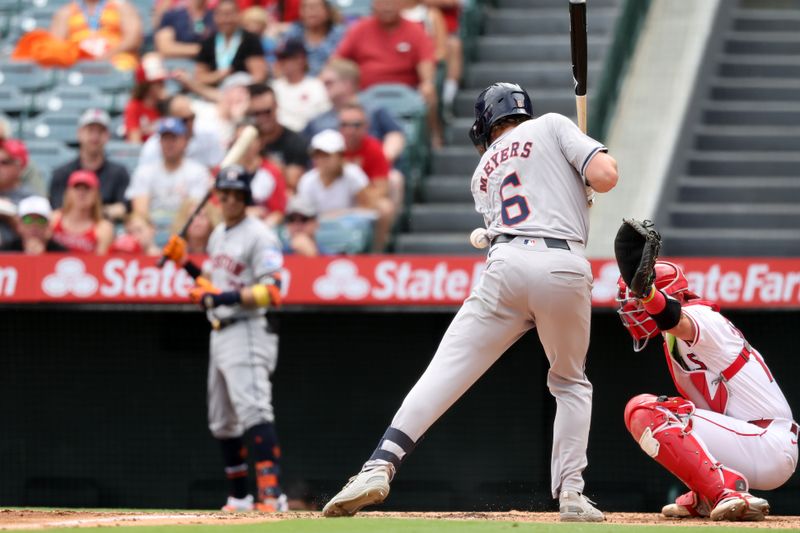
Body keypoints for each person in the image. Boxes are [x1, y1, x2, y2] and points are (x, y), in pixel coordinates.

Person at [322, 82, 619, 520]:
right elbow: (607, 176)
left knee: (443, 372)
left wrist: (578, 187)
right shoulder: (553, 124)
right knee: (570, 382)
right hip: (563, 265)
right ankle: (572, 494)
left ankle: (378, 464)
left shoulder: (481, 171)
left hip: (506, 264)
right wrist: (586, 183)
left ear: (485, 125)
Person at [616, 259, 797, 521]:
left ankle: (726, 490)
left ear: (666, 295)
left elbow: (675, 319)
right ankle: (707, 494)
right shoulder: (672, 340)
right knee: (669, 416)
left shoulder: (700, 315)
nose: (632, 308)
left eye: (637, 299)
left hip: (768, 441)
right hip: (750, 440)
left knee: (645, 410)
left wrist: (649, 294)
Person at [160, 165, 287, 513]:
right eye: (225, 194)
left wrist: (220, 298)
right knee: (222, 420)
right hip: (220, 332)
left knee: (254, 410)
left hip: (247, 329)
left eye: (236, 194)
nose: (230, 200)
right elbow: (214, 282)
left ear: (246, 198)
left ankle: (272, 496)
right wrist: (185, 264)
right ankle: (239, 497)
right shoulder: (218, 234)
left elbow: (273, 292)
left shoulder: (260, 235)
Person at [333, 0, 440, 146]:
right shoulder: (360, 29)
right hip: (366, 95)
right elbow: (336, 62)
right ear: (373, 5)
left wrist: (427, 82)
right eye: (382, 2)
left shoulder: (415, 30)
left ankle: (431, 141)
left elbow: (426, 61)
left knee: (429, 92)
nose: (387, 6)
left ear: (401, 4)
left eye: (392, 2)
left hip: (406, 94)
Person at [127, 118, 212, 246]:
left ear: (184, 141)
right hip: (151, 234)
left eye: (174, 138)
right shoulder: (144, 171)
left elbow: (195, 210)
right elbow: (141, 213)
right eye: (165, 138)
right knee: (138, 225)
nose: (169, 143)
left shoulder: (198, 172)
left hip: (185, 233)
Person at [306, 59, 406, 167]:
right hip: (330, 174)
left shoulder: (374, 110)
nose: (324, 87)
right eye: (323, 83)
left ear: (348, 83)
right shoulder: (317, 121)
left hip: (370, 170)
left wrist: (382, 160)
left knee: (394, 179)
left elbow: (395, 135)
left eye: (329, 83)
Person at [49, 109, 130, 222]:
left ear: (107, 136)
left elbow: (123, 208)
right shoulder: (62, 173)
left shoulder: (119, 173)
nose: (95, 136)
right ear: (80, 133)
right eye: (90, 130)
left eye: (100, 131)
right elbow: (57, 209)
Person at [339, 102, 395, 251]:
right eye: (345, 125)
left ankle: (377, 253)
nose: (350, 130)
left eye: (356, 125)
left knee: (385, 207)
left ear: (366, 126)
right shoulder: (331, 148)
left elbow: (381, 188)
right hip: (334, 200)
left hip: (363, 201)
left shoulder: (374, 149)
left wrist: (360, 198)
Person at [248, 84, 310, 191]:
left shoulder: (296, 141)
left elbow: (292, 183)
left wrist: (261, 159)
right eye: (257, 113)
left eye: (267, 112)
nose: (263, 118)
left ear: (276, 106)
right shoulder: (245, 140)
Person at [49, 0, 143, 70]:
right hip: (77, 65)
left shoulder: (121, 7)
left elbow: (133, 39)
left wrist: (105, 56)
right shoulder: (66, 12)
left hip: (117, 61)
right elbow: (56, 45)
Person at [138, 95, 226, 170]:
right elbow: (144, 179)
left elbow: (217, 168)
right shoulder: (154, 146)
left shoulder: (208, 134)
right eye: (184, 120)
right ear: (170, 120)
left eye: (192, 117)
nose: (190, 123)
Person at [295, 129, 370, 217]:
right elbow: (305, 214)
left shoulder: (354, 175)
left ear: (340, 155)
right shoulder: (307, 181)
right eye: (317, 155)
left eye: (326, 155)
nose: (321, 160)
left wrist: (344, 215)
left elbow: (367, 208)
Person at [195, 0, 268, 86]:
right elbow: (200, 77)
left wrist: (239, 91)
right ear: (215, 17)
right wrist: (218, 75)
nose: (226, 19)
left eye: (230, 14)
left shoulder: (250, 40)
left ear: (239, 15)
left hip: (244, 91)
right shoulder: (208, 43)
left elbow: (259, 75)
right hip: (214, 92)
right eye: (221, 14)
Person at [271, 36, 331, 133]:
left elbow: (323, 118)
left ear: (300, 59)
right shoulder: (273, 87)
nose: (280, 63)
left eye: (285, 58)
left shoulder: (316, 86)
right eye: (279, 58)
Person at [51, 170, 114, 254]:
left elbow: (100, 263)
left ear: (96, 194)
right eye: (77, 188)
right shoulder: (53, 219)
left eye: (87, 189)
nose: (81, 193)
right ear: (68, 192)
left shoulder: (103, 229)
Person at [282, 0, 346, 77]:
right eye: (305, 7)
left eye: (315, 7)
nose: (310, 11)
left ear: (328, 11)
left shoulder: (340, 34)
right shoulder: (293, 33)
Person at [124, 53, 169, 144]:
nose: (162, 85)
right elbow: (134, 141)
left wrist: (169, 103)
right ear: (146, 86)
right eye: (158, 82)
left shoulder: (167, 105)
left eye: (162, 82)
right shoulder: (134, 106)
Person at [0, 196, 68, 254]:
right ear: (19, 225)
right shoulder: (5, 251)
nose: (34, 225)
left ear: (48, 226)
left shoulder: (61, 253)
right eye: (28, 220)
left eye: (41, 220)